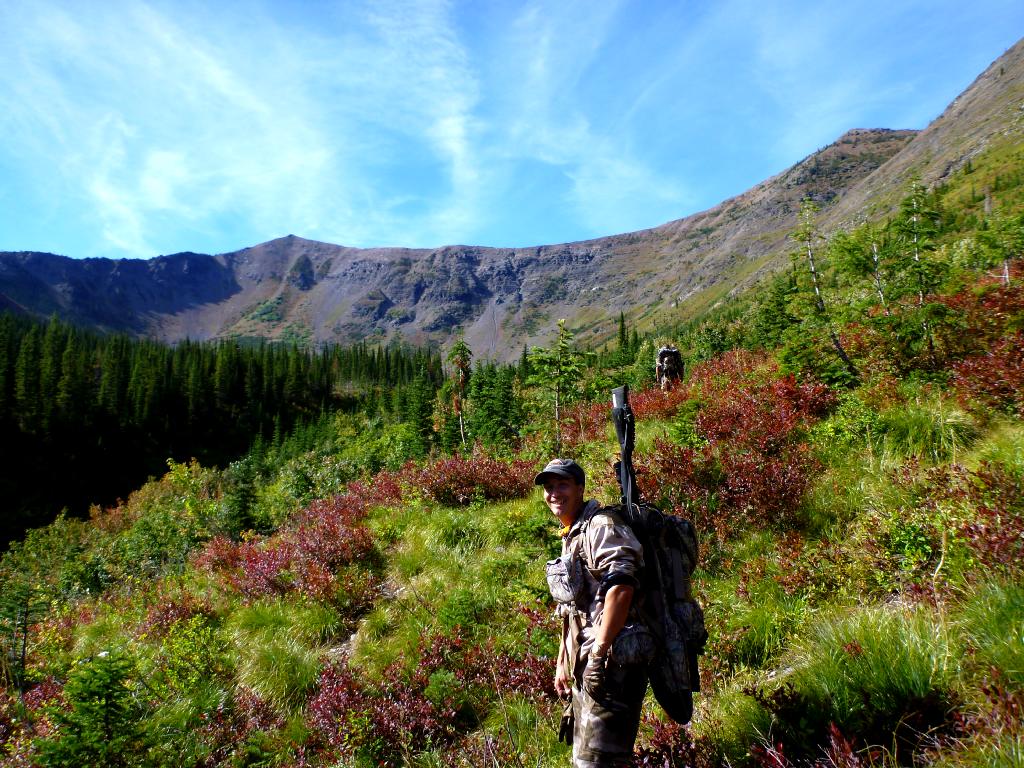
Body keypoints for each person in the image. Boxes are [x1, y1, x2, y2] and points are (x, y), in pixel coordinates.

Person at [537, 458, 650, 767]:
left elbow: (622, 587)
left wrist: (599, 654)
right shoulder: (572, 533)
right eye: (548, 488)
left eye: (562, 485)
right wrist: (564, 659)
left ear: (580, 488)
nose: (554, 494)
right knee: (584, 759)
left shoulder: (601, 526)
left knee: (600, 762)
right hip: (586, 665)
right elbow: (574, 607)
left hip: (613, 666)